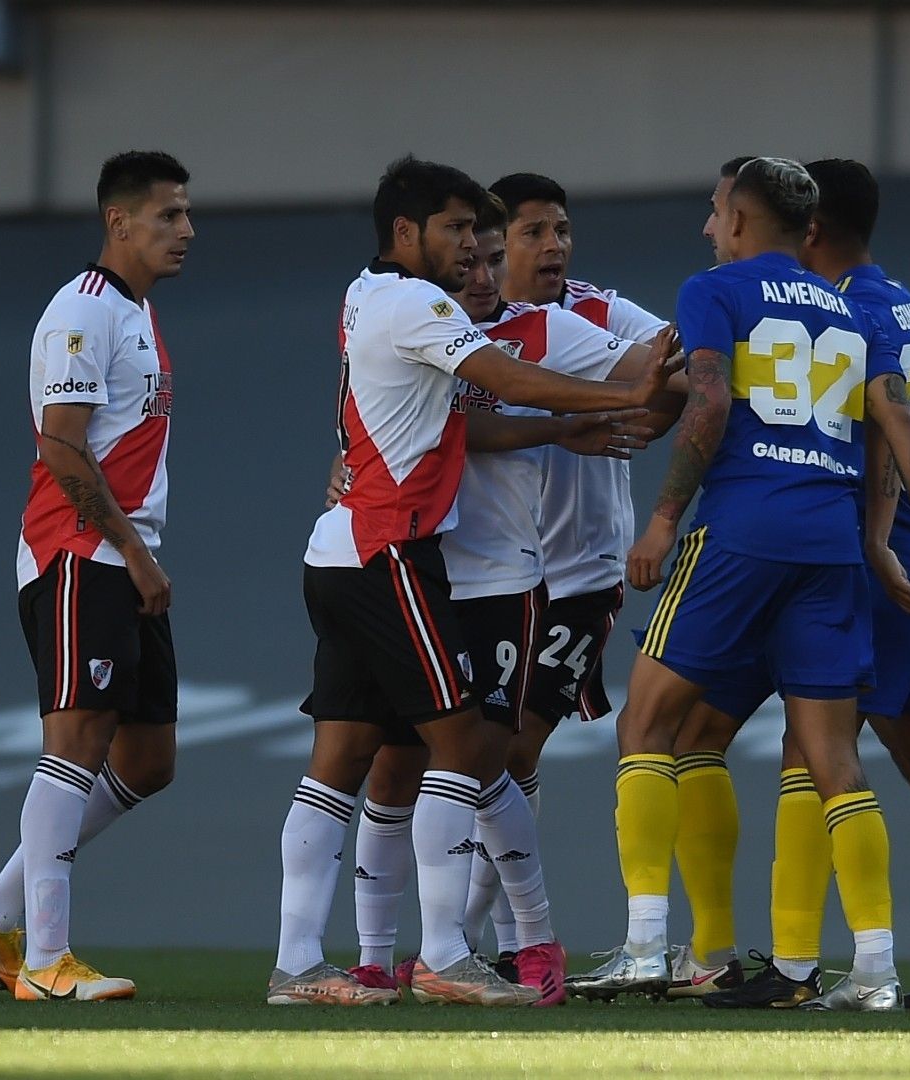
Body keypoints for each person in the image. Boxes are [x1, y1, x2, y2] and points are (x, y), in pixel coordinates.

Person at [267, 156, 674, 1007]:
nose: (473, 259)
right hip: (400, 554)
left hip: (367, 552)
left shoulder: (367, 294)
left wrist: (576, 423)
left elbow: (452, 419)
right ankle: (453, 952)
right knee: (461, 753)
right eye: (462, 237)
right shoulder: (425, 308)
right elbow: (496, 382)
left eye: (488, 245)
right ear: (408, 234)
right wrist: (588, 412)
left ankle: (308, 962)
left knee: (355, 757)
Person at [567, 157, 910, 1012]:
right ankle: (874, 970)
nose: (709, 227)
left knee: (645, 721)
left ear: (743, 220)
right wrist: (906, 542)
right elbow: (892, 422)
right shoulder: (851, 307)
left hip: (743, 529)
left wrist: (665, 520)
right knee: (834, 756)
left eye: (715, 211)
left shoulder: (717, 289)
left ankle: (644, 949)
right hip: (829, 546)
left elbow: (706, 403)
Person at [691, 158, 910, 1012]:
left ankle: (796, 964)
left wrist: (886, 541)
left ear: (812, 230)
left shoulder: (847, 311)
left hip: (880, 555)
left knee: (812, 748)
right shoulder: (900, 299)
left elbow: (879, 436)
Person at [0, 151, 193, 1002]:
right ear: (119, 223)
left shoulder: (138, 311)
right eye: (169, 215)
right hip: (77, 555)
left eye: (187, 215)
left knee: (148, 759)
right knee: (77, 742)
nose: (186, 230)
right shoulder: (82, 313)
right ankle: (45, 960)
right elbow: (60, 443)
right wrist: (131, 549)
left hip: (122, 557)